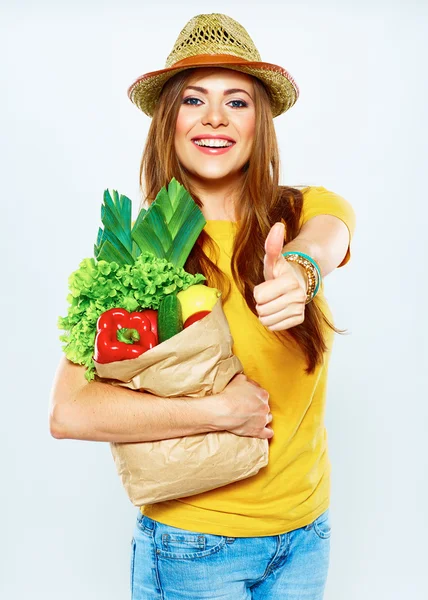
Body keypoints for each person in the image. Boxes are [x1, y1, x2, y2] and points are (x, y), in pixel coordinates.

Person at [49, 12, 356, 600]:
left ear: (259, 123)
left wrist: (303, 268)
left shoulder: (301, 213)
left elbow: (332, 232)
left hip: (305, 536)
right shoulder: (140, 256)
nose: (215, 118)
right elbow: (71, 411)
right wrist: (218, 413)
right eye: (195, 99)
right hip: (194, 549)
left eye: (236, 101)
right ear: (170, 121)